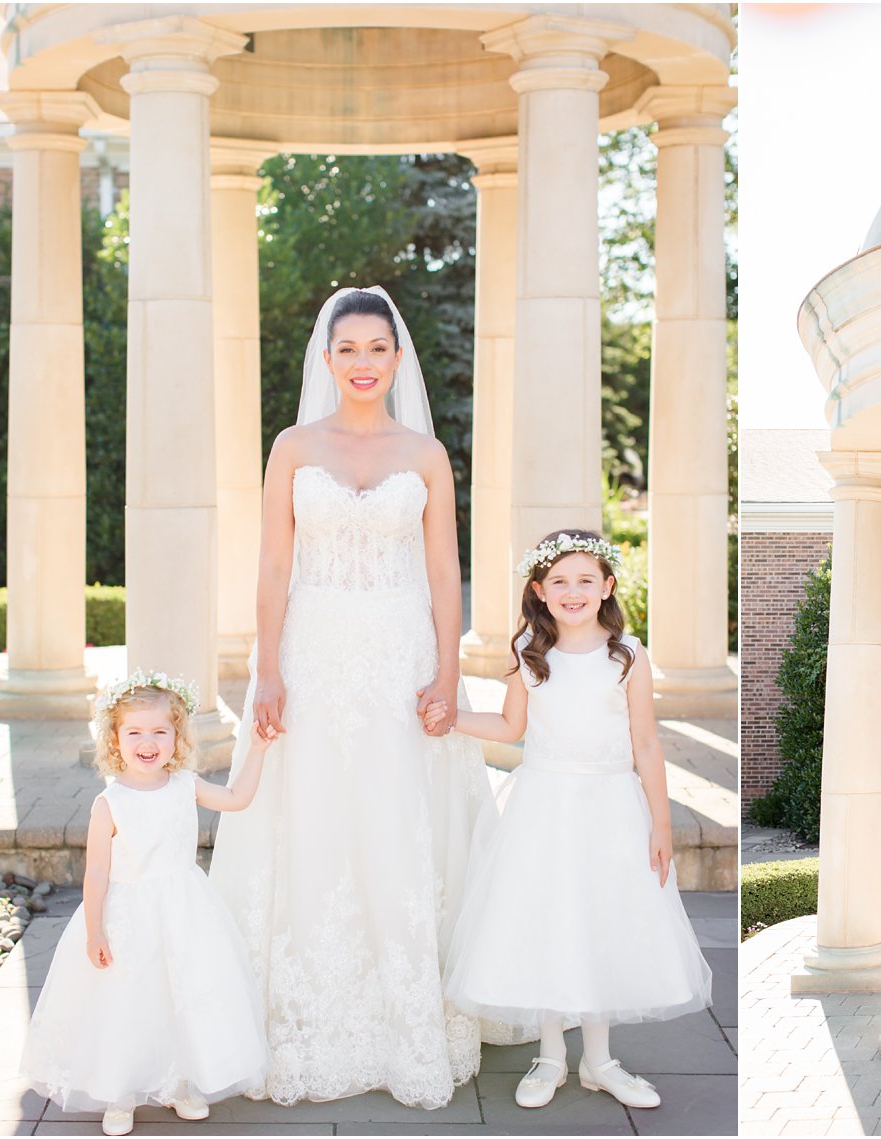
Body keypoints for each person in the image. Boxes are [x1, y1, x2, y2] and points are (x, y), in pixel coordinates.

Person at [208, 287, 497, 1108]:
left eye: (378, 349)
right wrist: (267, 669)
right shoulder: (293, 448)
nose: (364, 363)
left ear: (397, 358)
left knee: (400, 816)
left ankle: (407, 1015)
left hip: (403, 655)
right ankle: (304, 1015)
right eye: (350, 350)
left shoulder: (427, 454)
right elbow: (271, 567)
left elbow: (445, 571)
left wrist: (446, 671)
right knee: (314, 816)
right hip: (315, 650)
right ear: (327, 359)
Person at [435, 529, 712, 1111]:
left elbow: (646, 742)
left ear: (608, 586)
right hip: (544, 804)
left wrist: (661, 824)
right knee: (549, 916)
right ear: (539, 589)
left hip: (610, 805)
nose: (573, 591)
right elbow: (511, 727)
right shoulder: (529, 654)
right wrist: (451, 718)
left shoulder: (628, 656)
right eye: (559, 581)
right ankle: (552, 1055)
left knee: (601, 919)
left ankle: (600, 1060)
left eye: (586, 579)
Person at [21, 672, 272, 1136]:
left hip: (184, 911)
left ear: (177, 736)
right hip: (127, 916)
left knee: (182, 994)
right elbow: (96, 872)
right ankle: (121, 1092)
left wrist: (256, 749)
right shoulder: (109, 803)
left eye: (160, 730)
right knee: (127, 1001)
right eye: (134, 732)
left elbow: (237, 798)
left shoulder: (185, 785)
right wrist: (95, 929)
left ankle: (179, 1080)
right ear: (115, 740)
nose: (148, 742)